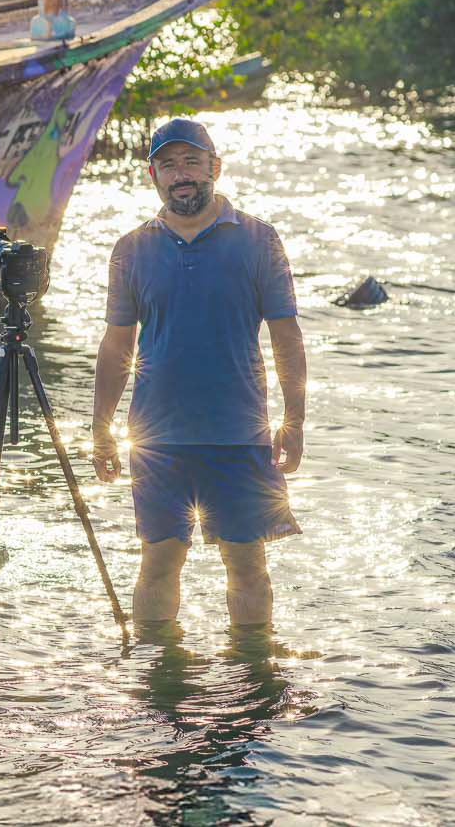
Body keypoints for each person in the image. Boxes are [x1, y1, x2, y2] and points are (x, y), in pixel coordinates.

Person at [89, 117, 305, 629]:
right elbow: (116, 344)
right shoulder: (130, 250)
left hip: (240, 436)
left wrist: (294, 421)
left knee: (247, 565)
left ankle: (254, 679)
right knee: (158, 564)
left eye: (191, 161)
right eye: (168, 164)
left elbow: (287, 338)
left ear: (215, 167)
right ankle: (158, 687)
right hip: (157, 440)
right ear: (153, 176)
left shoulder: (258, 240)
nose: (180, 174)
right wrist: (101, 427)